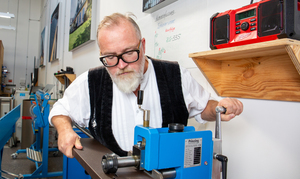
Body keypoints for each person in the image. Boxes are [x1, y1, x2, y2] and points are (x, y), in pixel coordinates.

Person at [49, 12, 243, 159]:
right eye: (110, 57)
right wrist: (65, 129)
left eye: (129, 53)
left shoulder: (176, 75)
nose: (122, 65)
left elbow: (203, 108)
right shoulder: (91, 81)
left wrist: (218, 108)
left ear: (143, 45)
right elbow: (60, 109)